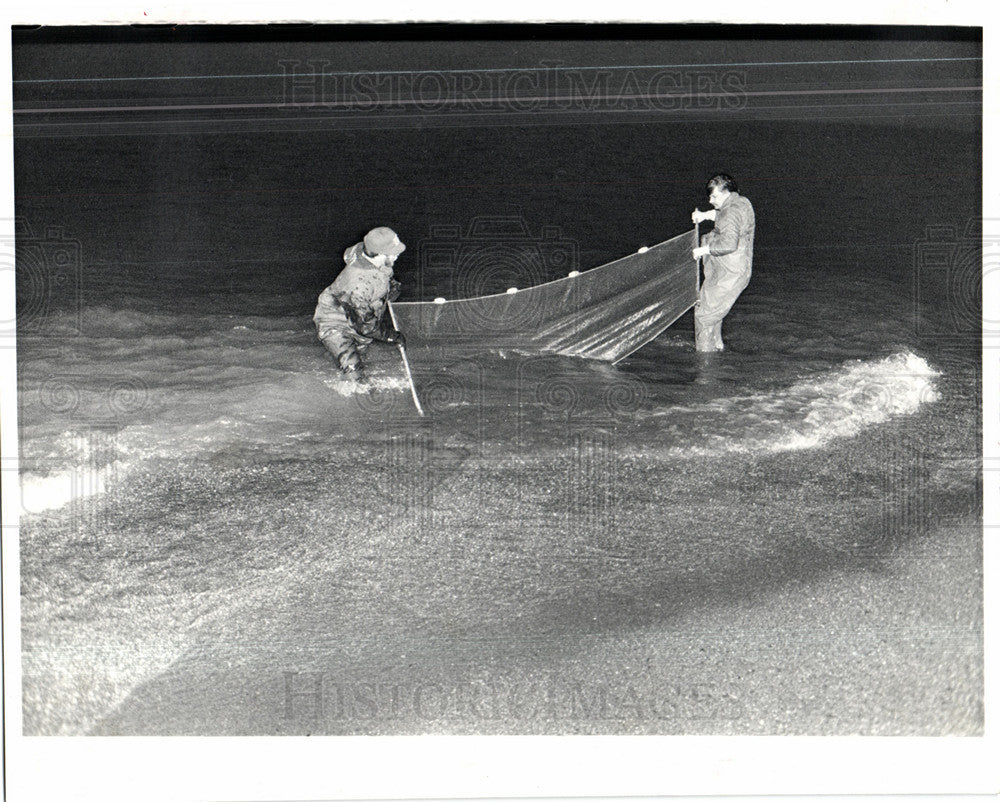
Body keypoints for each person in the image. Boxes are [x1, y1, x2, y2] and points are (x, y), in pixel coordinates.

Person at [314, 226, 406, 382]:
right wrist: (391, 336)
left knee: (362, 355)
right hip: (335, 322)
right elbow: (365, 325)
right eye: (393, 253)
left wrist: (391, 287)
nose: (397, 255)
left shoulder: (370, 255)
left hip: (356, 315)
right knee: (353, 371)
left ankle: (334, 357)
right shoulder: (357, 283)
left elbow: (382, 278)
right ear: (378, 254)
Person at [691, 173, 755, 352]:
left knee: (703, 316)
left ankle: (704, 361)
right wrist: (704, 216)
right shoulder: (742, 202)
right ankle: (718, 348)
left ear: (727, 192)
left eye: (714, 196)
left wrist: (703, 250)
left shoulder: (731, 211)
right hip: (735, 270)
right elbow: (723, 215)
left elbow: (728, 243)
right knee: (715, 312)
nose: (711, 200)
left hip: (729, 274)